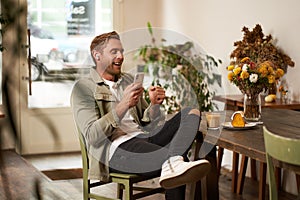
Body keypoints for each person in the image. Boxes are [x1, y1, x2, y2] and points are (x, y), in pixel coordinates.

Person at [71, 31, 211, 200]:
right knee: (177, 160)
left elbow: (148, 124)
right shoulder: (83, 88)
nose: (121, 56)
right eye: (114, 52)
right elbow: (92, 136)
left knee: (191, 112)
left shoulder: (128, 80)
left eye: (121, 51)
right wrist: (123, 105)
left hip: (144, 137)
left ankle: (173, 161)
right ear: (97, 55)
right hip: (117, 150)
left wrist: (154, 105)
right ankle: (174, 160)